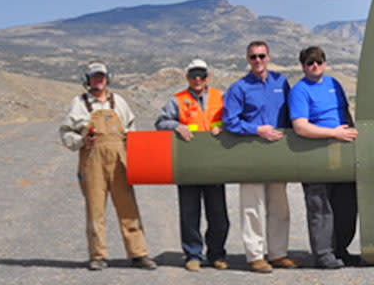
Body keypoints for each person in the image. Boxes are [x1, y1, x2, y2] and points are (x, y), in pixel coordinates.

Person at [59, 61, 156, 271]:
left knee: (128, 207)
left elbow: (131, 128)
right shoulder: (79, 103)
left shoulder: (118, 102)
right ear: (88, 80)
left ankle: (138, 254)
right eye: (94, 77)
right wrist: (81, 141)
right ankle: (97, 255)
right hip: (92, 161)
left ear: (108, 78)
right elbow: (66, 131)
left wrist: (136, 152)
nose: (98, 80)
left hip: (120, 162)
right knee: (95, 210)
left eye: (101, 76)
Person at [223, 41, 294, 273]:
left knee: (279, 205)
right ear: (247, 59)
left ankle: (278, 253)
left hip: (277, 152)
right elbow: (230, 121)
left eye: (261, 56)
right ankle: (255, 256)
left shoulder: (281, 82)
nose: (258, 61)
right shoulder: (239, 88)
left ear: (269, 56)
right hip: (251, 151)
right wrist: (257, 130)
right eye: (253, 57)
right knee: (252, 205)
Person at [154, 59, 230, 271]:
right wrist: (177, 126)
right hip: (188, 164)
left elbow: (231, 119)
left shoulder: (219, 97)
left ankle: (217, 254)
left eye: (202, 75)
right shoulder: (177, 100)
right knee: (190, 212)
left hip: (214, 164)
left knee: (218, 214)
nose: (198, 79)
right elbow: (160, 122)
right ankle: (193, 255)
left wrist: (224, 127)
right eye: (194, 75)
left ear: (208, 77)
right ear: (187, 77)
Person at [288, 46, 360, 269]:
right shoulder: (299, 91)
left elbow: (345, 113)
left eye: (319, 61)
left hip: (343, 150)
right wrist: (334, 133)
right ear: (303, 66)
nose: (315, 65)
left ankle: (341, 249)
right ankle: (323, 253)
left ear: (325, 63)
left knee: (346, 205)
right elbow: (301, 127)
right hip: (315, 153)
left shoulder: (334, 84)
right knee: (320, 206)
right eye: (310, 62)